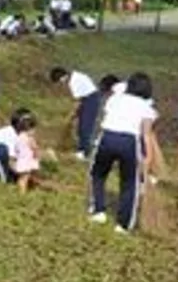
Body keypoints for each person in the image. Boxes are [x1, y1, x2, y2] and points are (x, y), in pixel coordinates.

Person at [88, 72, 159, 233]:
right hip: (129, 142)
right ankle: (123, 224)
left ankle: (98, 211)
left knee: (97, 174)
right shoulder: (146, 107)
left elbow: (106, 116)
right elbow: (146, 134)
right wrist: (148, 157)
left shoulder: (115, 99)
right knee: (129, 183)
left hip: (107, 137)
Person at [0, 108, 41, 193]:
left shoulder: (22, 138)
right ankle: (3, 181)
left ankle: (3, 175)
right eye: (31, 129)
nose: (33, 132)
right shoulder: (11, 135)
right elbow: (11, 160)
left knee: (15, 174)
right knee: (2, 150)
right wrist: (22, 172)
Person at [49, 67, 101, 161]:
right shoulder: (74, 77)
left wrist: (71, 115)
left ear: (62, 77)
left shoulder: (74, 81)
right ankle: (84, 147)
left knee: (85, 126)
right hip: (86, 99)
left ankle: (85, 153)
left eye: (60, 82)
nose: (62, 84)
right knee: (81, 126)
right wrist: (74, 114)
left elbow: (77, 102)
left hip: (91, 100)